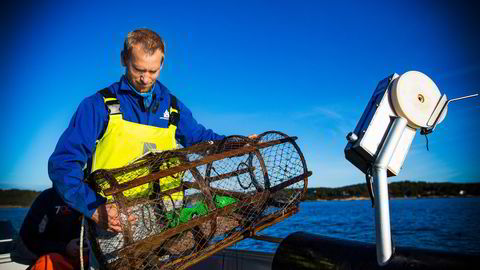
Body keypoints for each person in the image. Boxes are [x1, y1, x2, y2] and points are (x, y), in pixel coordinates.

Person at [47, 28, 227, 263]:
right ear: (124, 60)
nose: (145, 78)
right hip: (115, 221)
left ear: (162, 63)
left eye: (153, 71)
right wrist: (94, 208)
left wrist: (232, 142)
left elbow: (202, 138)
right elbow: (62, 163)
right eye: (138, 69)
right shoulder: (98, 105)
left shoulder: (173, 107)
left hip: (166, 217)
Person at [18, 188, 88, 270]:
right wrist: (64, 248)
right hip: (56, 258)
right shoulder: (48, 197)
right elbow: (29, 237)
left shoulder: (94, 198)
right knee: (50, 261)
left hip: (86, 257)